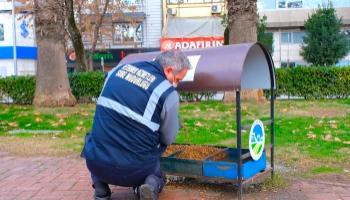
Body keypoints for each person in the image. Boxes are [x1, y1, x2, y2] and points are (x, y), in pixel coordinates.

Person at [82, 50, 191, 200]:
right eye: (177, 79)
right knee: (158, 168)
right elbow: (168, 138)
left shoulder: (115, 71)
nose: (176, 84)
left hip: (97, 162)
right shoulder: (167, 92)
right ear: (168, 70)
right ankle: (150, 185)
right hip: (136, 171)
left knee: (94, 138)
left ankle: (101, 189)